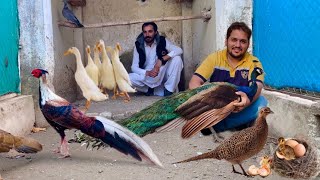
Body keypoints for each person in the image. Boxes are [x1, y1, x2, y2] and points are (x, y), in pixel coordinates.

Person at [188, 21, 268, 134]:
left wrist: (246, 101)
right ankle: (236, 124)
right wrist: (207, 101)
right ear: (226, 41)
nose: (238, 45)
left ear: (248, 44)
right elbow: (194, 82)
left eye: (243, 41)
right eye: (234, 40)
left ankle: (218, 126)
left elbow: (258, 87)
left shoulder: (254, 62)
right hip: (216, 110)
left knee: (261, 103)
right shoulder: (214, 58)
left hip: (239, 107)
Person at [129, 22, 183, 96]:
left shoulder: (162, 41)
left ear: (155, 32)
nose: (147, 34)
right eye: (145, 32)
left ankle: (169, 90)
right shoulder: (138, 45)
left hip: (162, 73)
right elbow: (134, 67)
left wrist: (161, 60)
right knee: (127, 78)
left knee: (177, 59)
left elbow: (179, 50)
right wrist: (147, 72)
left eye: (150, 31)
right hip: (148, 76)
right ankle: (152, 90)